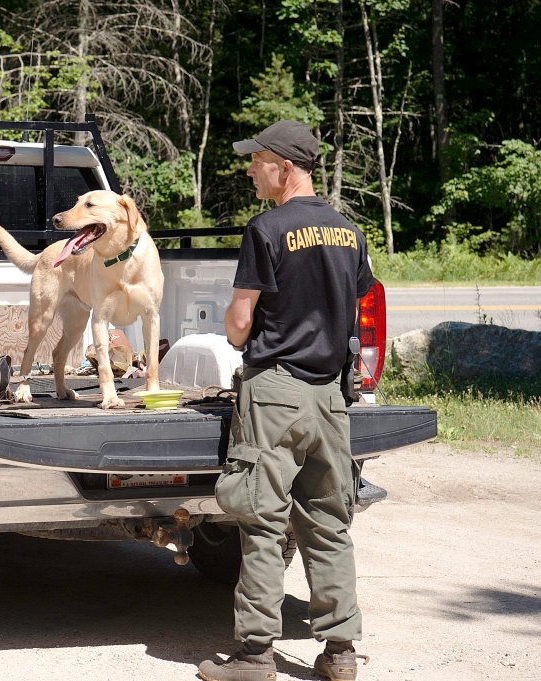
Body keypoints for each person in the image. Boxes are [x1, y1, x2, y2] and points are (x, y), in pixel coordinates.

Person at [197, 120, 374, 681]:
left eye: (258, 160)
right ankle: (340, 654)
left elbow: (240, 323)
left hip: (275, 392)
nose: (250, 168)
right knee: (329, 522)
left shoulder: (266, 229)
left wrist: (230, 328)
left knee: (263, 522)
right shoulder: (350, 231)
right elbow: (356, 305)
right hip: (330, 398)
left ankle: (253, 657)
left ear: (287, 168)